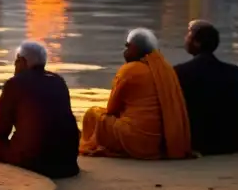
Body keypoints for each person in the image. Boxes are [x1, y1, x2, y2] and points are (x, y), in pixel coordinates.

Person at [79, 28, 191, 160]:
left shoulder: (129, 70)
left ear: (136, 49)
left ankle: (89, 145)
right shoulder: (166, 69)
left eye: (127, 47)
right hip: (162, 140)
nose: (124, 51)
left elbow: (111, 109)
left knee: (93, 114)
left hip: (136, 139)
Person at [0, 41, 80, 178]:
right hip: (67, 164)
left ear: (23, 61)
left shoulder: (14, 83)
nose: (14, 65)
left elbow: (0, 131)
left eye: (17, 60)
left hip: (33, 164)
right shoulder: (58, 81)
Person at [173, 20, 238, 155]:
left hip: (197, 141)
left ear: (197, 43)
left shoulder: (180, 72)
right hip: (230, 142)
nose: (185, 40)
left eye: (188, 36)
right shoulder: (234, 71)